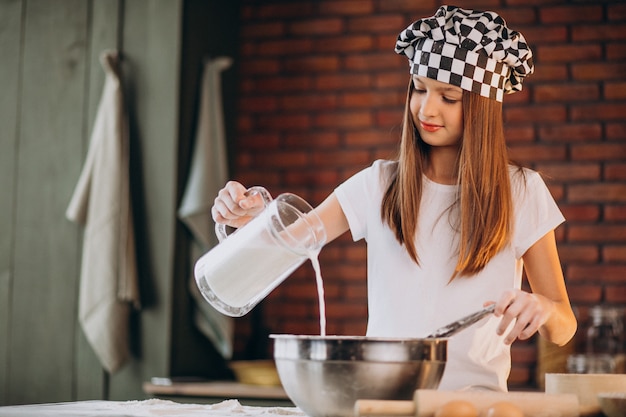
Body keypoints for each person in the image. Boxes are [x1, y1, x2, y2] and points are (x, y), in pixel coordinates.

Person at [211, 5, 577, 391]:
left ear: (483, 106)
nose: (426, 109)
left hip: (475, 406)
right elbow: (287, 244)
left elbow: (564, 328)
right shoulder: (378, 183)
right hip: (385, 403)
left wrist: (542, 308)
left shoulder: (523, 191)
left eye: (448, 97)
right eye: (419, 89)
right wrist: (247, 220)